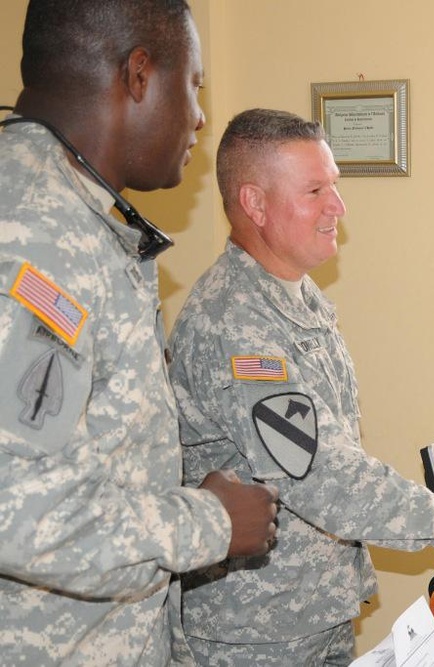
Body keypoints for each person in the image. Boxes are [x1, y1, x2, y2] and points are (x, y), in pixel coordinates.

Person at [168, 108, 434, 666]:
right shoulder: (234, 325)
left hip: (313, 614)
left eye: (334, 185)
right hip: (254, 636)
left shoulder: (296, 299)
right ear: (255, 204)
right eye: (315, 191)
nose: (338, 207)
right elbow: (330, 480)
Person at [0, 2, 280, 664]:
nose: (201, 117)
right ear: (139, 76)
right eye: (195, 86)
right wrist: (211, 522)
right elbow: (17, 507)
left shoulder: (70, 209)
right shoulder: (38, 234)